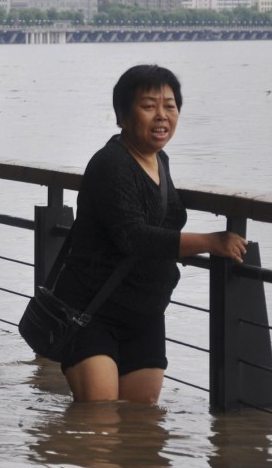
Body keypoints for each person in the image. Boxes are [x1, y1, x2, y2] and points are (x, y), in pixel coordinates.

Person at [53, 64, 247, 404]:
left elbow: (161, 226)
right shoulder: (111, 163)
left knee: (142, 428)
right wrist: (210, 242)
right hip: (92, 311)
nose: (162, 116)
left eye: (169, 106)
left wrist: (177, 249)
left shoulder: (161, 161)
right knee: (99, 423)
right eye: (148, 106)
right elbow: (134, 236)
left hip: (145, 315)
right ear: (122, 116)